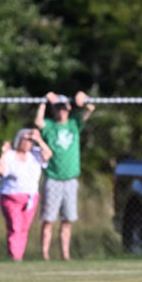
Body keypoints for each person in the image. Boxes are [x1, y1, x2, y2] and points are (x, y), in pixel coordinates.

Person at [34, 90, 95, 261]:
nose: (61, 111)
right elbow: (38, 122)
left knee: (67, 220)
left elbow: (90, 108)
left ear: (69, 109)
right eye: (58, 108)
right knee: (48, 220)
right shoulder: (50, 126)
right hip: (53, 178)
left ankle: (65, 255)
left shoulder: (74, 124)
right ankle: (45, 255)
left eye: (64, 108)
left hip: (70, 180)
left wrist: (81, 100)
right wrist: (44, 101)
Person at [0, 127, 52, 261]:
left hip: (30, 198)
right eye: (24, 140)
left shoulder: (36, 154)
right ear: (18, 140)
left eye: (29, 141)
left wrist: (38, 139)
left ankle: (18, 256)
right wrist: (3, 153)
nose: (27, 143)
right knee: (15, 227)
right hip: (11, 196)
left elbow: (49, 154)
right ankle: (15, 256)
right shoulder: (10, 155)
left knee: (24, 228)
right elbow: (0, 172)